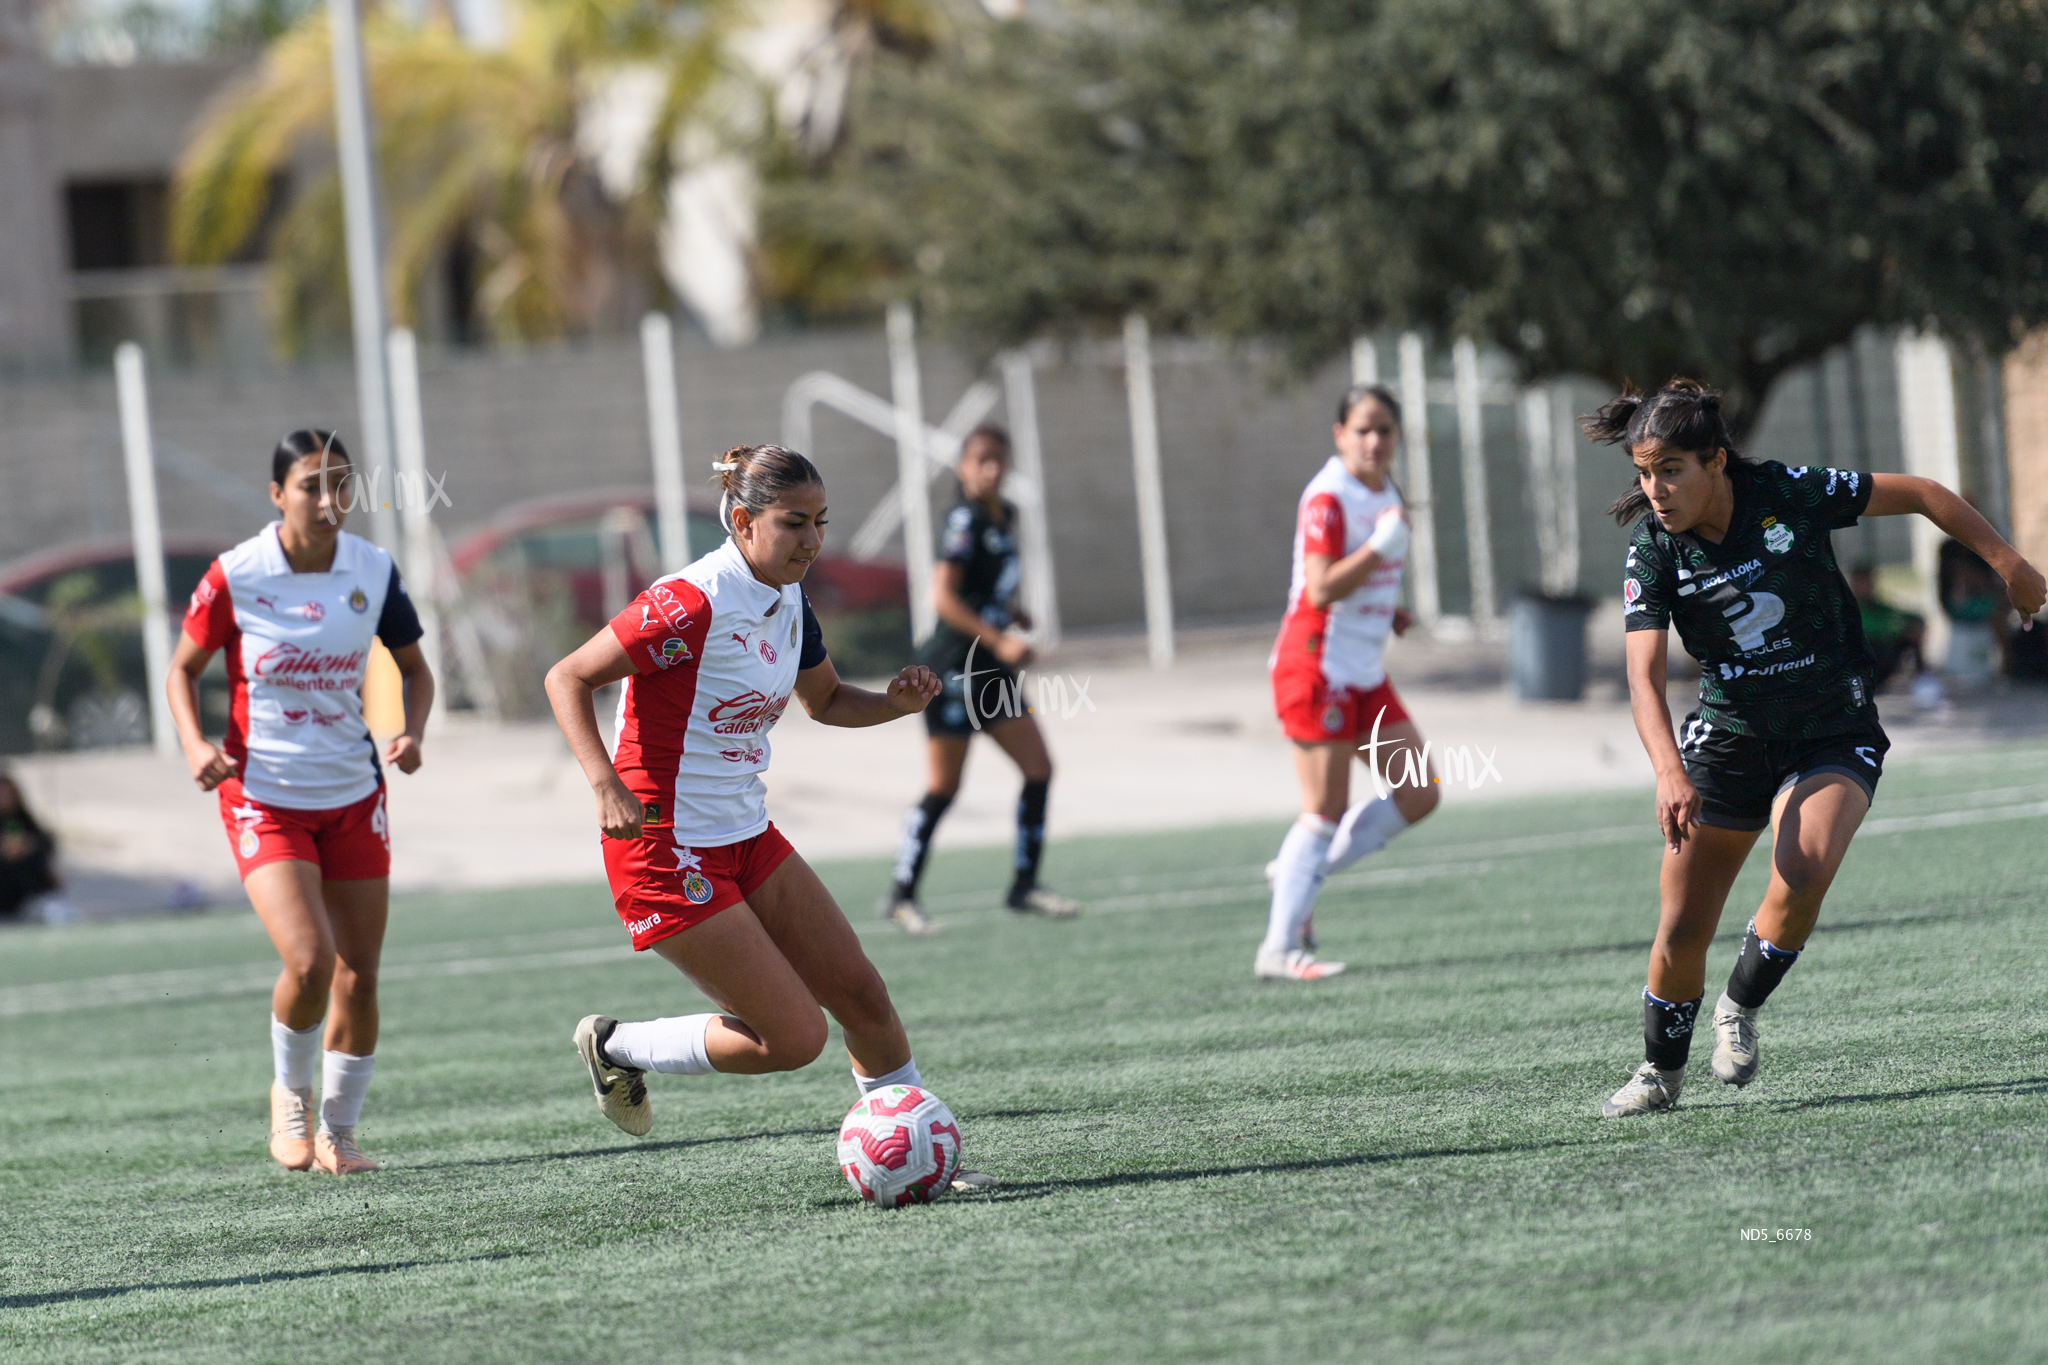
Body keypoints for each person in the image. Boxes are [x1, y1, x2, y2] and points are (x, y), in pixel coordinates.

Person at [546, 443, 993, 1192]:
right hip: (664, 845)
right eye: (795, 523)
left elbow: (824, 702)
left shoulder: (791, 602)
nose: (813, 541)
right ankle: (618, 1044)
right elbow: (569, 675)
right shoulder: (691, 600)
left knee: (864, 996)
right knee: (794, 1038)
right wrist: (603, 782)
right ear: (744, 520)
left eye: (821, 522)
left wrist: (893, 702)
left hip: (745, 833)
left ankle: (921, 1158)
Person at [1594, 380, 2045, 1117]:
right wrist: (1669, 772)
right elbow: (1641, 678)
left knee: (1801, 871)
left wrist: (2010, 564)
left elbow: (1928, 493)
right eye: (1645, 473)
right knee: (1680, 925)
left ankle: (1738, 1007)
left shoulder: (1790, 493)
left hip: (1832, 727)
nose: (1657, 489)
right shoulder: (1654, 550)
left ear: (1716, 460)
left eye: (1671, 469)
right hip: (1729, 740)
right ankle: (1659, 1072)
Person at [166, 430, 434, 1174]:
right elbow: (181, 671)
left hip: (352, 793)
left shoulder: (371, 569)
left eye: (342, 483)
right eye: (311, 485)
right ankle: (289, 1095)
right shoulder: (238, 573)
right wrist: (193, 744)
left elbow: (417, 669)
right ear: (277, 494)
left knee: (361, 973)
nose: (328, 500)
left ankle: (340, 1136)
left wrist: (411, 731)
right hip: (263, 794)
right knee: (311, 962)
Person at [1256, 383, 1439, 983]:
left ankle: (1296, 872)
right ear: (1339, 435)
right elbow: (1320, 588)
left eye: (1384, 429)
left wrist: (1391, 610)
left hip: (1362, 670)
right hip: (1316, 666)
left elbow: (1362, 581)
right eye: (1362, 428)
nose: (1374, 440)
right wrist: (1382, 545)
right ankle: (1280, 949)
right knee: (1324, 808)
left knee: (1420, 790)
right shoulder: (1327, 496)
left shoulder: (1385, 489)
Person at [881, 423, 1081, 933]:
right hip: (954, 667)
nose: (991, 469)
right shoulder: (963, 520)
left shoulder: (1003, 515)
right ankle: (902, 894)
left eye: (999, 459)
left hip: (993, 670)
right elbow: (943, 598)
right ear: (963, 467)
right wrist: (998, 638)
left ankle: (1024, 885)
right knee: (944, 787)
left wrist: (1012, 612)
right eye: (981, 460)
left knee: (1039, 768)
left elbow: (981, 588)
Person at [1846, 564, 1925, 691]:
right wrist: (1898, 629)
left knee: (1913, 629)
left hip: (1883, 660)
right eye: (1862, 581)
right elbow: (1869, 627)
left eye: (1869, 581)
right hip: (1862, 664)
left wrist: (1913, 623)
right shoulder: (1848, 606)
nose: (1867, 586)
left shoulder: (1876, 605)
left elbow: (1904, 616)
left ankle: (1922, 679)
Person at [0, 773, 62, 922]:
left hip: (27, 888)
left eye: (7, 794)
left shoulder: (23, 817)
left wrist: (27, 845)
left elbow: (45, 841)